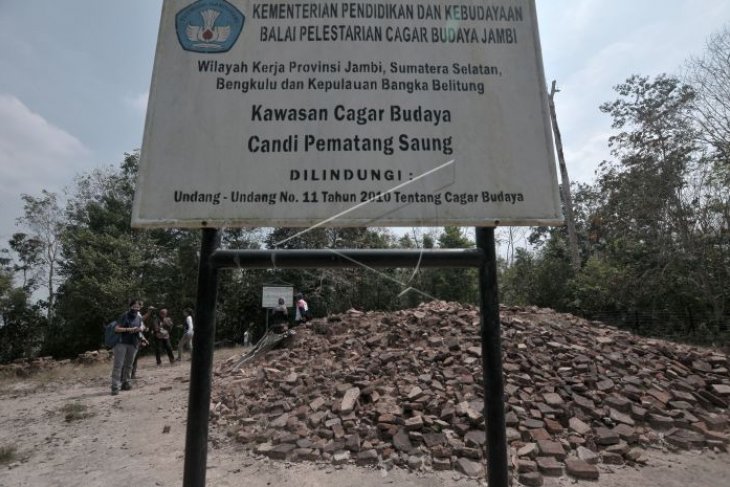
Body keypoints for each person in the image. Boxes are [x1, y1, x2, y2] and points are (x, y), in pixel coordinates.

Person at [111, 299, 145, 395]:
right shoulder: (124, 315)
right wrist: (129, 329)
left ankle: (126, 383)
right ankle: (115, 387)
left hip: (133, 343)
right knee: (118, 365)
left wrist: (140, 329)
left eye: (138, 306)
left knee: (129, 365)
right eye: (134, 305)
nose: (136, 307)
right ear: (130, 306)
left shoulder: (139, 317)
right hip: (121, 343)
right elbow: (116, 329)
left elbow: (142, 327)